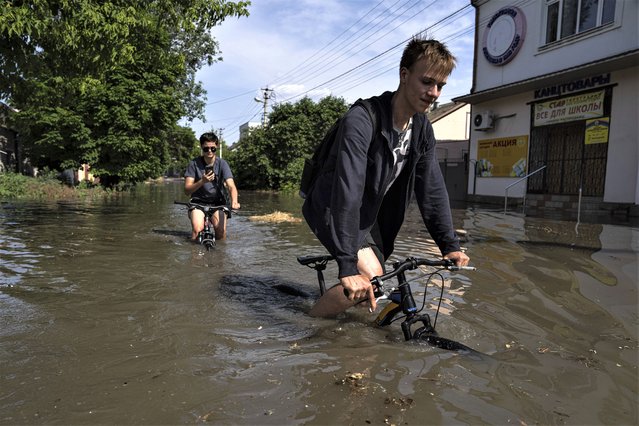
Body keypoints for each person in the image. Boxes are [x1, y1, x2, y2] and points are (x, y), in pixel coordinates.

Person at [302, 37, 470, 317]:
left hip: (369, 215)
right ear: (404, 75)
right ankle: (306, 325)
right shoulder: (361, 119)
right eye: (427, 82)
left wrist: (449, 245)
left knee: (375, 285)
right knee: (371, 274)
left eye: (440, 86)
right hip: (332, 204)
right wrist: (346, 263)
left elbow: (431, 189)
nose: (434, 93)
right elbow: (348, 188)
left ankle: (342, 326)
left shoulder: (422, 129)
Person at [184, 132, 240, 240]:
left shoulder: (223, 164)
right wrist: (202, 181)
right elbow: (187, 190)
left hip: (218, 203)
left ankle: (220, 255)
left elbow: (231, 186)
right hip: (198, 202)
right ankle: (195, 255)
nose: (209, 151)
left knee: (220, 232)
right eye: (206, 149)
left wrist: (234, 201)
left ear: (217, 147)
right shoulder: (193, 164)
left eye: (213, 148)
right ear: (201, 147)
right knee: (197, 229)